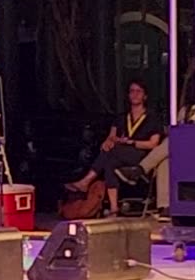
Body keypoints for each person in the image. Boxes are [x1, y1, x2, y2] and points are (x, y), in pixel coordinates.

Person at [66, 80, 164, 215]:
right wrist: (108, 142)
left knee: (112, 153)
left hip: (141, 154)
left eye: (138, 91)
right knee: (110, 160)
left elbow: (153, 143)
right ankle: (113, 208)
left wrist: (132, 142)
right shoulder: (122, 117)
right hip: (118, 153)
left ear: (145, 96)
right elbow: (111, 137)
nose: (134, 94)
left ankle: (86, 180)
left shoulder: (152, 118)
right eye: (132, 91)